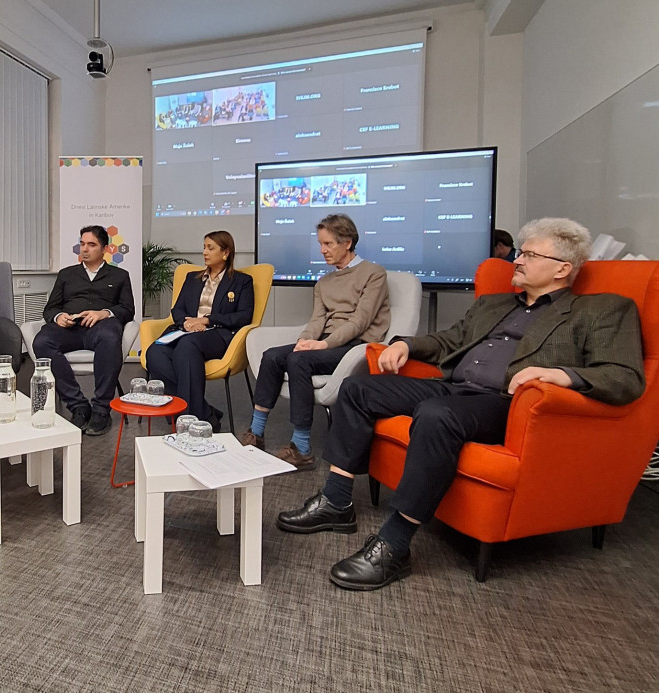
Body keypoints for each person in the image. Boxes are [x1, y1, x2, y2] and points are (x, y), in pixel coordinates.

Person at [277, 217, 645, 590]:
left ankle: (395, 543)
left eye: (529, 255)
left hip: (507, 403)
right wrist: (404, 344)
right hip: (453, 387)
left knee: (436, 415)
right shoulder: (495, 303)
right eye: (519, 252)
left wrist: (562, 375)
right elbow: (449, 340)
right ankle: (337, 502)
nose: (516, 260)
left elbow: (625, 377)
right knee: (358, 389)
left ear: (563, 269)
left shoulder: (601, 310)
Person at [239, 214, 390, 469]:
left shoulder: (374, 274)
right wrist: (304, 340)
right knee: (273, 356)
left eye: (328, 244)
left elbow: (360, 322)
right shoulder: (324, 282)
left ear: (348, 243)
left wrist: (323, 345)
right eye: (321, 244)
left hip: (357, 345)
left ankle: (302, 447)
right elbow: (317, 321)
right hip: (327, 343)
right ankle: (256, 433)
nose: (323, 250)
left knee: (299, 360)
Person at [145, 230, 254, 430]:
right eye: (204, 247)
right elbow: (177, 309)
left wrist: (206, 320)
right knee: (154, 351)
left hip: (217, 333)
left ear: (226, 252)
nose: (204, 252)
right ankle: (203, 412)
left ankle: (186, 419)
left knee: (187, 346)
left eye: (210, 248)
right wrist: (185, 323)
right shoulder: (192, 278)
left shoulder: (241, 281)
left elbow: (244, 316)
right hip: (185, 330)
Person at [34, 225, 135, 436]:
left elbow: (128, 309)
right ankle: (78, 406)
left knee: (110, 337)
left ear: (105, 248)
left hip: (101, 328)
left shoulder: (119, 275)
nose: (85, 249)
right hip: (70, 328)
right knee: (42, 341)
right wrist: (58, 316)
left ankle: (100, 411)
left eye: (91, 244)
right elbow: (50, 308)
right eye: (82, 244)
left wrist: (103, 313)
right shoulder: (66, 275)